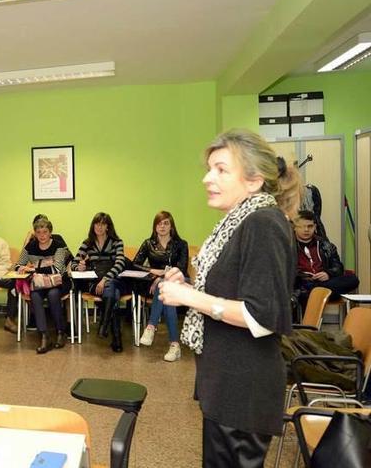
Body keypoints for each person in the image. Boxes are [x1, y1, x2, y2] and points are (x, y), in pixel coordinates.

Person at [158, 129, 300, 467]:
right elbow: (233, 288)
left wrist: (190, 297)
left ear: (253, 181)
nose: (208, 178)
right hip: (226, 383)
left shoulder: (262, 224)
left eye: (221, 169)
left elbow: (261, 316)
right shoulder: (240, 221)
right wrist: (190, 286)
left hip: (243, 389)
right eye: (209, 168)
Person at [135, 211, 189, 362]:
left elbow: (182, 269)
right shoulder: (148, 243)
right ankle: (174, 345)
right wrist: (153, 272)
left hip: (180, 282)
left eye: (166, 223)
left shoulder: (181, 244)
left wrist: (161, 278)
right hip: (158, 286)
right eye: (159, 223)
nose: (162, 226)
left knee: (165, 285)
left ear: (171, 226)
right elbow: (134, 264)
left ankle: (151, 327)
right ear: (155, 226)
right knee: (165, 292)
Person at [73, 212, 129, 352]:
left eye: (103, 224)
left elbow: (120, 263)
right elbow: (73, 263)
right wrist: (79, 267)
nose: (99, 227)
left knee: (111, 288)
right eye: (97, 223)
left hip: (114, 279)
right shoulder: (87, 243)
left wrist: (105, 279)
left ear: (108, 227)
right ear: (93, 226)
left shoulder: (117, 242)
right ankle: (116, 338)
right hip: (93, 282)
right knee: (112, 294)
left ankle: (104, 325)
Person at [15, 217, 72, 354]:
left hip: (58, 282)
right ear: (35, 233)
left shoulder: (58, 246)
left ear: (50, 233)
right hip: (39, 283)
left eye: (45, 232)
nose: (42, 235)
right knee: (34, 295)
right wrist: (20, 268)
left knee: (53, 295)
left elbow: (57, 269)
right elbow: (18, 264)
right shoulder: (31, 246)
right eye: (39, 232)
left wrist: (34, 269)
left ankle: (60, 332)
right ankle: (44, 336)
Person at [292, 210, 359, 314]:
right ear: (294, 227)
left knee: (352, 279)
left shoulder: (325, 245)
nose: (306, 230)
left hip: (324, 283)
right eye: (301, 226)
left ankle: (315, 291)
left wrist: (328, 273)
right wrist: (303, 276)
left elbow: (338, 266)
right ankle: (313, 293)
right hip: (301, 284)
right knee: (302, 290)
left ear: (315, 227)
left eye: (310, 226)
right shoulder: (287, 245)